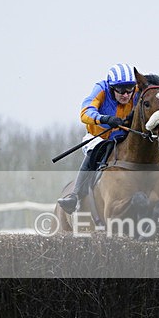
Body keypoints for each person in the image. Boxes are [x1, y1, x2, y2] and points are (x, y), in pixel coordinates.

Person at [57, 63, 138, 213]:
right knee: (94, 151)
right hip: (100, 137)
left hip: (126, 137)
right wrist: (105, 119)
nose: (126, 94)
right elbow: (85, 112)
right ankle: (75, 195)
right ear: (111, 87)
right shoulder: (101, 89)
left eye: (129, 89)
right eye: (120, 90)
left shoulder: (137, 91)